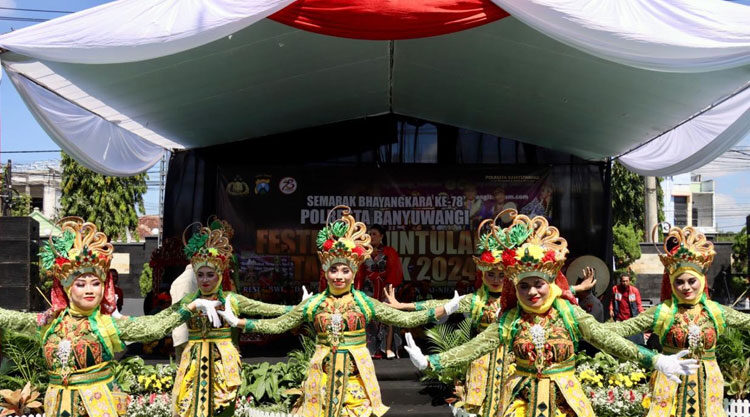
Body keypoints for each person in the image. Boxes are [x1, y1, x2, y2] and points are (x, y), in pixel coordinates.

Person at [404, 211, 699, 417]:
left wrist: (656, 359)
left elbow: (607, 340)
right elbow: (475, 347)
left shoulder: (569, 313)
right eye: (524, 286)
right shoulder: (511, 319)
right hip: (519, 400)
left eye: (538, 285)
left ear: (550, 284)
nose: (532, 292)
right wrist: (432, 361)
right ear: (515, 287)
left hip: (565, 402)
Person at [217, 206, 463, 417]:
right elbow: (279, 324)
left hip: (357, 381)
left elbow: (403, 318)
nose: (339, 276)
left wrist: (443, 309)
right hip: (320, 380)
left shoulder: (364, 302)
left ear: (353, 272)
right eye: (334, 270)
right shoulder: (314, 304)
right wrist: (239, 322)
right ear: (325, 271)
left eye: (345, 271)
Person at [0, 217, 219, 417]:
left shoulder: (106, 324)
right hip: (57, 407)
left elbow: (153, 326)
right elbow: (11, 319)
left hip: (97, 407)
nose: (89, 290)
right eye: (81, 284)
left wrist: (189, 306)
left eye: (96, 283)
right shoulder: (51, 322)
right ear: (67, 288)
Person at [603, 225, 750, 417]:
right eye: (679, 282)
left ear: (702, 281)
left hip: (709, 384)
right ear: (671, 283)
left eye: (692, 281)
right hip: (670, 382)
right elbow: (623, 328)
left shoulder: (715, 311)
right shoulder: (662, 311)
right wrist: (586, 325)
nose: (686, 287)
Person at [172, 219, 301, 417]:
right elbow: (162, 321)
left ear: (220, 276)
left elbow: (266, 309)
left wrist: (299, 307)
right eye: (201, 275)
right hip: (193, 362)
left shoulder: (232, 300)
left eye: (210, 274)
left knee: (223, 408)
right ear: (196, 276)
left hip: (224, 364)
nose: (205, 280)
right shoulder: (189, 301)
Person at [354, 224, 404, 359]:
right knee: (368, 318)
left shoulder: (389, 252)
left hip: (384, 289)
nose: (371, 236)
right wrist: (357, 291)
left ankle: (387, 349)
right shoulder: (363, 252)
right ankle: (369, 349)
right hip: (368, 289)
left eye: (374, 234)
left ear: (382, 236)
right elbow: (359, 273)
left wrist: (388, 289)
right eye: (369, 234)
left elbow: (395, 271)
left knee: (387, 317)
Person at [610, 270, 645, 344]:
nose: (625, 283)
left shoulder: (634, 291)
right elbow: (611, 301)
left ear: (629, 281)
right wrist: (611, 309)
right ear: (620, 281)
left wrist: (642, 313)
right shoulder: (615, 289)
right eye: (623, 281)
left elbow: (639, 304)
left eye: (626, 281)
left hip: (631, 318)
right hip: (619, 318)